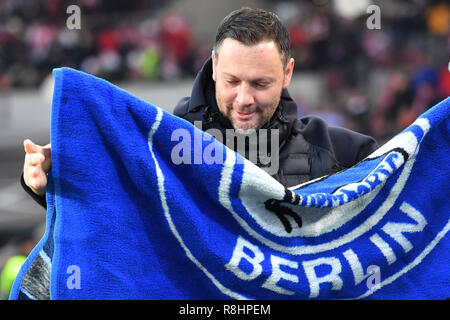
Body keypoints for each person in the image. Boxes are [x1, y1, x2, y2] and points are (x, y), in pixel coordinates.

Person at [21, 7, 377, 208]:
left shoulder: (346, 152)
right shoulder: (160, 144)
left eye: (260, 83)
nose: (244, 99)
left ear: (287, 73)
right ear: (213, 67)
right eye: (232, 82)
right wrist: (48, 184)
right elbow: (113, 216)